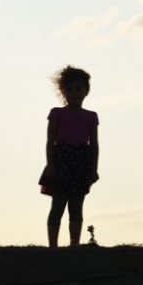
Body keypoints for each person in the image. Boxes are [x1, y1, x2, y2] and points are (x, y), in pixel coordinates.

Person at [40, 65, 100, 248]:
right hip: (61, 162)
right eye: (70, 90)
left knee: (76, 206)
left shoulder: (91, 116)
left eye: (79, 89)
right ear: (63, 92)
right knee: (58, 205)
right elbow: (50, 142)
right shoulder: (57, 114)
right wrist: (51, 165)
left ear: (86, 91)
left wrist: (93, 169)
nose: (74, 93)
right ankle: (53, 246)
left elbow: (94, 144)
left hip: (81, 163)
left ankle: (74, 245)